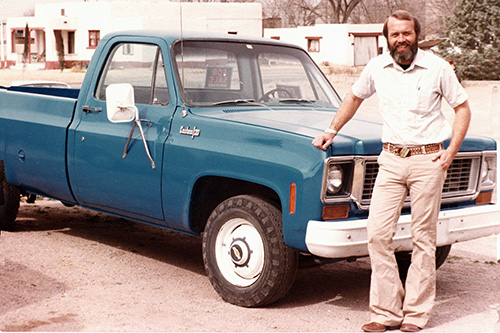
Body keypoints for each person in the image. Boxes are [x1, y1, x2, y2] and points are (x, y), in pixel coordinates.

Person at [312, 10, 471, 333]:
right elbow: (354, 97)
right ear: (387, 39)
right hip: (391, 160)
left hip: (428, 160)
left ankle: (415, 314)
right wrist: (332, 130)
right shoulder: (376, 68)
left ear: (416, 36)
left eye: (407, 33)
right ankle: (386, 312)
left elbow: (462, 108)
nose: (401, 39)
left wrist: (451, 152)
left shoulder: (437, 68)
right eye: (395, 34)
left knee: (423, 239)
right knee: (378, 234)